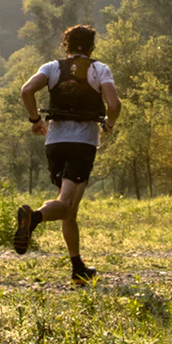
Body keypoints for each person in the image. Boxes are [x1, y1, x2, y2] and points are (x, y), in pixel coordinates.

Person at [15, 25, 121, 284]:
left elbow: (26, 90)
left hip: (54, 142)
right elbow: (114, 104)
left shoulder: (51, 68)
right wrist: (109, 122)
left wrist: (35, 120)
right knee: (65, 205)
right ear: (91, 47)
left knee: (70, 209)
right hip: (82, 143)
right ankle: (34, 217)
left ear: (67, 46)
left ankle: (78, 267)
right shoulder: (99, 69)